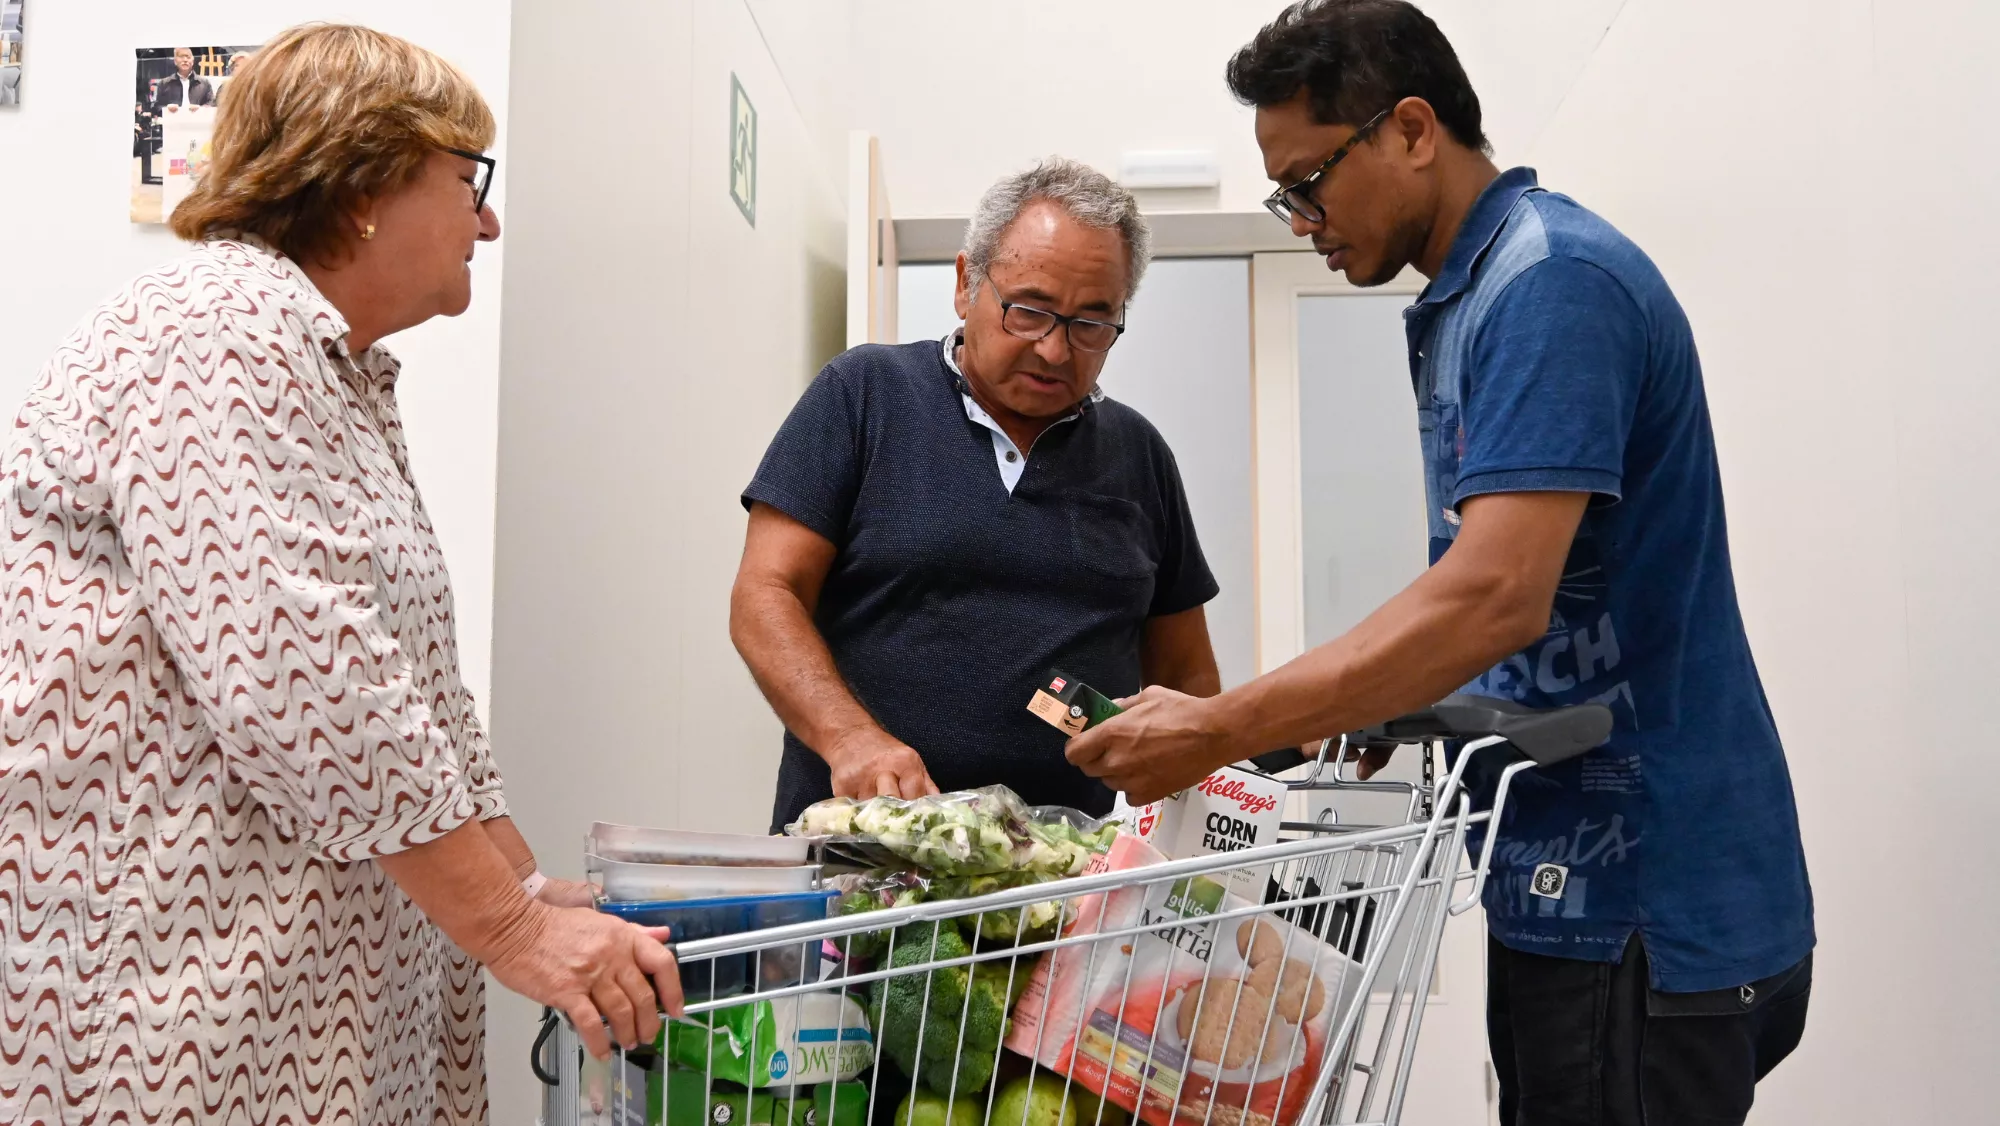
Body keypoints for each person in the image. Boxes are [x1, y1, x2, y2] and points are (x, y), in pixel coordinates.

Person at [1066, 3, 1814, 1123]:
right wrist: (1407, 699)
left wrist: (1221, 726)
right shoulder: (1474, 294)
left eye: (1307, 181)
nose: (1298, 218)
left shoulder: (1549, 283)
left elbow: (1492, 595)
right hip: (1566, 888)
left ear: (1411, 129)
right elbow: (1526, 591)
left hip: (1643, 907)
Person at [0, 24, 680, 1125]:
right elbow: (302, 677)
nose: (488, 219)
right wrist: (510, 930)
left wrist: (521, 883)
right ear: (366, 179)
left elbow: (410, 683)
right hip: (180, 985)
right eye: (469, 180)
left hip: (301, 983)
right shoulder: (214, 330)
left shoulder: (330, 369)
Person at [733, 157, 1223, 833]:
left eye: (1091, 324)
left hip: (1063, 884)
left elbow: (1190, 682)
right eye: (1029, 312)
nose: (1054, 351)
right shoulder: (865, 396)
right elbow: (765, 597)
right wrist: (849, 738)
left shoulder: (1139, 456)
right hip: (866, 858)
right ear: (967, 283)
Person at [151, 46, 213, 113]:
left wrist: (200, 108)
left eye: (188, 57)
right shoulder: (164, 83)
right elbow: (156, 107)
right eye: (181, 57)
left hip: (197, 121)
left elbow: (212, 103)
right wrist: (167, 108)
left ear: (192, 61)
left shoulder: (204, 83)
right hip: (173, 121)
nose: (185, 60)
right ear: (175, 61)